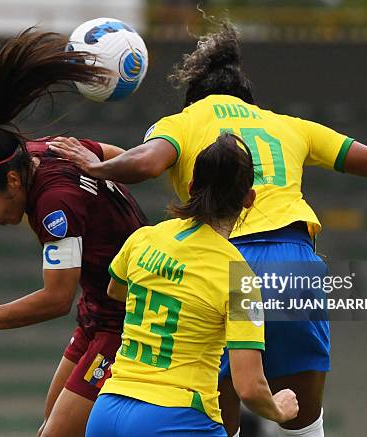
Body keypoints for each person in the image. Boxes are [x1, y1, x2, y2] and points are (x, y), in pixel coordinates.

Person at [47, 20, 367, 437]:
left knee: (218, 422)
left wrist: (97, 166)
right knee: (304, 422)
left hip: (217, 266)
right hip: (293, 266)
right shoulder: (287, 124)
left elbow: (145, 163)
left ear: (194, 98)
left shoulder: (184, 122)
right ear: (249, 99)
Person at [0, 29, 148, 437]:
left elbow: (56, 299)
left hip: (127, 322)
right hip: (98, 314)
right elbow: (124, 160)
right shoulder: (47, 150)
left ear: (11, 181)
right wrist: (98, 172)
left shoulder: (53, 206)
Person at [85, 133, 299, 437]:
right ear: (249, 199)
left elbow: (116, 290)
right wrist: (279, 409)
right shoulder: (238, 276)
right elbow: (249, 387)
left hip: (106, 411)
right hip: (175, 417)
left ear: (190, 188)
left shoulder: (144, 238)